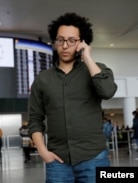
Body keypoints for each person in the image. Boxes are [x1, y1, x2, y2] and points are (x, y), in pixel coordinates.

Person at [28, 12, 117, 183]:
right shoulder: (42, 79)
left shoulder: (96, 69)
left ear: (82, 42)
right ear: (55, 42)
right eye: (60, 40)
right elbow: (35, 119)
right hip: (57, 162)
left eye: (72, 40)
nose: (65, 45)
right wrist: (43, 152)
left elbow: (107, 91)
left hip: (94, 158)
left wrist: (87, 57)